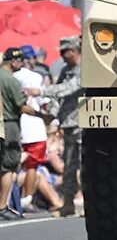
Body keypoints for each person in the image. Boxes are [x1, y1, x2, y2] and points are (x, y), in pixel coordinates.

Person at [35, 37, 82, 217]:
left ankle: (89, 202)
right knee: (70, 166)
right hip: (68, 124)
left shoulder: (83, 70)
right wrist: (53, 114)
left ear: (73, 50)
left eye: (64, 52)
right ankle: (68, 203)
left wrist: (42, 91)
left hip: (82, 124)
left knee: (85, 166)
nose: (62, 56)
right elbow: (58, 95)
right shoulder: (65, 70)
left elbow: (69, 88)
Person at [1, 48, 46, 220]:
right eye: (20, 61)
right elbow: (21, 106)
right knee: (8, 165)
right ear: (14, 62)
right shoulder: (11, 80)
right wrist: (42, 116)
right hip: (9, 124)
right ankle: (3, 206)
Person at [13, 55, 50, 211]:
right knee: (32, 166)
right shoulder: (36, 77)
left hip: (16, 127)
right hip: (34, 128)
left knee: (13, 166)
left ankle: (14, 199)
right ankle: (26, 198)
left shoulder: (11, 76)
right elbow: (45, 104)